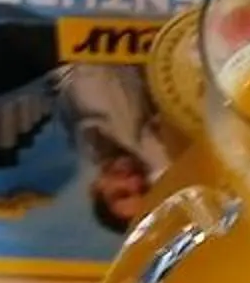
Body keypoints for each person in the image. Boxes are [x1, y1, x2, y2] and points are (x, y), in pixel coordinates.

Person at [56, 61, 174, 235]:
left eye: (121, 192)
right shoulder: (150, 147)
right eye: (144, 189)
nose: (134, 180)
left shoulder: (84, 142)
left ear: (96, 189)